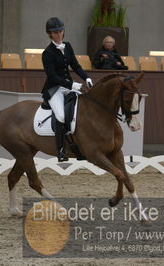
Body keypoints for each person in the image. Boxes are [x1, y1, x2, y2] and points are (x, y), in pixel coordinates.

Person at [42, 17, 93, 162]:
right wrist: (73, 85)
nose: (58, 34)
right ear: (50, 34)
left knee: (83, 108)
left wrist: (86, 78)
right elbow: (52, 77)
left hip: (69, 86)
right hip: (54, 89)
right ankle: (60, 150)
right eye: (55, 32)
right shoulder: (47, 53)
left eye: (60, 31)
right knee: (61, 116)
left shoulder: (68, 46)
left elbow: (76, 66)